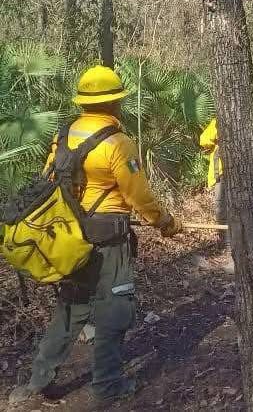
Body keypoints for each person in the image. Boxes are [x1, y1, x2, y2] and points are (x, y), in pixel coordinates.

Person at [9, 66, 182, 405]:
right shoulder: (118, 143)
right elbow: (138, 196)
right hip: (108, 241)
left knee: (71, 309)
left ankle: (39, 380)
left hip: (70, 238)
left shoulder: (64, 135)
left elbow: (49, 179)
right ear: (115, 102)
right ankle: (108, 386)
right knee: (115, 310)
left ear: (84, 102)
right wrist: (164, 222)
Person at [199, 118, 253, 248]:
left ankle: (246, 237)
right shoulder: (218, 122)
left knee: (239, 205)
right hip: (224, 174)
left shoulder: (245, 123)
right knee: (222, 207)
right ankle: (228, 241)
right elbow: (204, 140)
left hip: (241, 174)